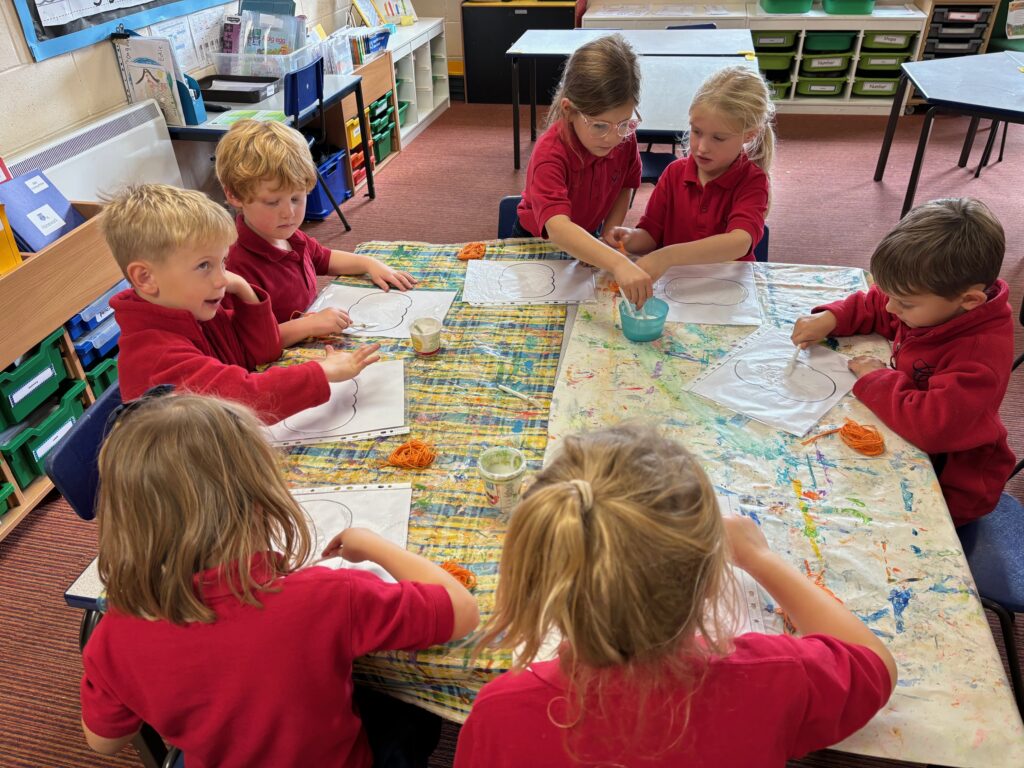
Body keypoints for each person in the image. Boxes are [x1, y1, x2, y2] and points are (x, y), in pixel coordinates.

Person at [455, 423, 896, 767]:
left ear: (541, 579)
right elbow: (875, 663)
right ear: (709, 581)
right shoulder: (774, 675)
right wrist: (761, 558)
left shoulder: (501, 713)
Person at [80, 391, 479, 767]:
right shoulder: (326, 596)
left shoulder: (113, 637)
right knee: (408, 712)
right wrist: (374, 546)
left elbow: (104, 741)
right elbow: (462, 611)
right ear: (260, 498)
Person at [792, 197, 1015, 525]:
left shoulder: (979, 354)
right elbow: (879, 303)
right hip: (915, 442)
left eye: (905, 304)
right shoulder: (936, 304)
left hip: (950, 485)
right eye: (892, 296)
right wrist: (832, 318)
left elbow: (932, 426)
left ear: (970, 300)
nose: (892, 309)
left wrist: (878, 377)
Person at [104, 184, 379, 424]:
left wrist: (245, 290)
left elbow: (261, 351)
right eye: (203, 266)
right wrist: (321, 372)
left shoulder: (192, 309)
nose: (221, 279)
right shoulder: (154, 355)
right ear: (145, 278)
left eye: (222, 263)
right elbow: (244, 398)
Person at [216, 119, 416, 346]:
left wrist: (368, 263)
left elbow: (324, 258)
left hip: (314, 336)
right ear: (234, 196)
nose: (288, 213)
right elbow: (246, 343)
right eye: (272, 202)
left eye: (296, 198)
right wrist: (307, 325)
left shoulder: (288, 236)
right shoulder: (234, 265)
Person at [513, 34, 653, 307]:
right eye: (600, 125)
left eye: (624, 123)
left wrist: (611, 230)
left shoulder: (623, 138)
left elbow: (625, 184)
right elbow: (558, 229)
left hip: (587, 240)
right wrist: (617, 263)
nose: (613, 138)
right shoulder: (550, 154)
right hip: (538, 245)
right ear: (569, 110)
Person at [608, 65, 774, 280]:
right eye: (696, 132)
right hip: (675, 287)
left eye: (718, 138)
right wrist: (629, 238)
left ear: (749, 135)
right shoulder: (674, 173)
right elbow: (651, 233)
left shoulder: (752, 181)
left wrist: (668, 256)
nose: (702, 147)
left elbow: (739, 242)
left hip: (727, 287)